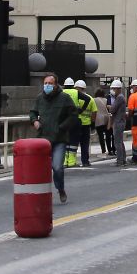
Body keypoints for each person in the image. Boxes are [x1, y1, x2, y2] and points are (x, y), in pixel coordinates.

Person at [29, 73, 78, 203]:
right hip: (43, 139)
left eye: (50, 83)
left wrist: (62, 127)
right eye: (45, 83)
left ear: (56, 85)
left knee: (57, 167)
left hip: (59, 139)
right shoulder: (40, 98)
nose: (47, 86)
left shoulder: (64, 98)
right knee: (40, 169)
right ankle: (41, 193)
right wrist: (34, 121)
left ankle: (60, 189)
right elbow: (33, 112)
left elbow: (73, 115)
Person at [69, 79, 96, 167]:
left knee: (74, 143)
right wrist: (93, 124)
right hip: (86, 125)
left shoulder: (73, 97)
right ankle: (85, 161)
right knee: (85, 144)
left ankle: (72, 161)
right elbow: (94, 112)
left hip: (75, 123)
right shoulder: (90, 99)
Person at [106, 79, 129, 166]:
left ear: (119, 89)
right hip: (120, 121)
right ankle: (123, 159)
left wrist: (109, 107)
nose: (113, 90)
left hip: (118, 122)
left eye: (114, 88)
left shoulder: (119, 98)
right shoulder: (120, 97)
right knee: (120, 142)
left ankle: (120, 161)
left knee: (117, 142)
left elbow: (112, 109)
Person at [93, 87, 110, 154]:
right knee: (108, 135)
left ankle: (103, 150)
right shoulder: (106, 100)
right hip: (106, 118)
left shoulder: (94, 100)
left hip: (98, 119)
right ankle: (110, 149)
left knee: (101, 136)